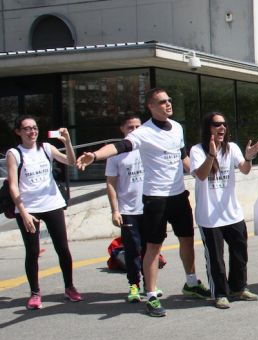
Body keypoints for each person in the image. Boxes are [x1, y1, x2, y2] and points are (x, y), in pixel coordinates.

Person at [77, 88, 210, 317]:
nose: (168, 104)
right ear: (151, 106)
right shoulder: (143, 132)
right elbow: (119, 146)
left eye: (169, 100)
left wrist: (198, 172)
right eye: (162, 102)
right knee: (153, 247)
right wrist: (96, 156)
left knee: (187, 240)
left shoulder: (177, 127)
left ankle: (191, 282)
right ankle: (150, 296)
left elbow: (182, 155)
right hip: (155, 198)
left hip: (178, 196)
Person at [6, 115, 80, 309]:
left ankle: (70, 287)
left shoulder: (47, 148)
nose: (32, 131)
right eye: (27, 128)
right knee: (32, 251)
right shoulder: (14, 153)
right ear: (18, 132)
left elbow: (71, 162)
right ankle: (35, 292)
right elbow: (13, 186)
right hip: (29, 209)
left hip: (52, 203)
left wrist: (68, 142)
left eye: (35, 128)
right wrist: (23, 212)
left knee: (63, 248)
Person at [190, 112, 258, 309]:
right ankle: (220, 293)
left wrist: (248, 158)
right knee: (216, 259)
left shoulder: (232, 148)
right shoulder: (197, 150)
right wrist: (211, 154)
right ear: (208, 128)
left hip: (232, 213)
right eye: (216, 124)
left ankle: (238, 288)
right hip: (210, 217)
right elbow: (202, 176)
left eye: (224, 124)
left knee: (240, 253)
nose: (222, 128)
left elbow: (245, 169)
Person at [105, 113, 152, 303]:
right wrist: (115, 210)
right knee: (132, 250)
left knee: (151, 249)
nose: (134, 130)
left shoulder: (149, 148)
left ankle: (151, 284)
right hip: (128, 210)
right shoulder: (116, 154)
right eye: (130, 127)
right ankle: (134, 285)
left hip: (149, 207)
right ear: (123, 130)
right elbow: (110, 184)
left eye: (137, 127)